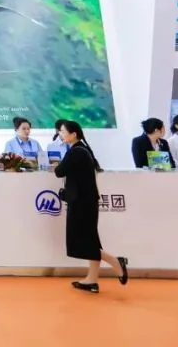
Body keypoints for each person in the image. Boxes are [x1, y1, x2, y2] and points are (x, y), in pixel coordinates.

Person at [54, 120, 128, 293]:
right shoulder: (83, 149)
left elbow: (59, 172)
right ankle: (92, 280)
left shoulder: (76, 152)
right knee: (89, 240)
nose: (60, 134)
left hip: (81, 204)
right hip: (86, 202)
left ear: (74, 134)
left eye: (63, 131)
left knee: (84, 241)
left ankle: (116, 262)